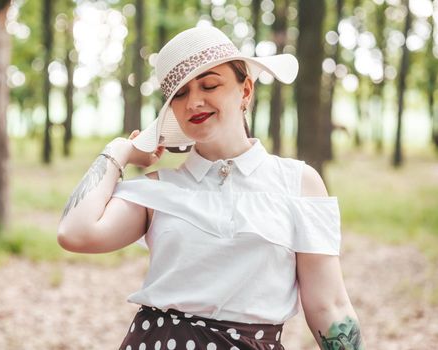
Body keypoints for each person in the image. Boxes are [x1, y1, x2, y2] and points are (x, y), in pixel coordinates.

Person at [58, 26, 364, 350]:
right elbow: (74, 233)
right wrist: (119, 151)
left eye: (210, 84)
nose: (194, 102)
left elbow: (329, 307)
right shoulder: (157, 191)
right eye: (180, 93)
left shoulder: (299, 184)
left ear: (245, 90)